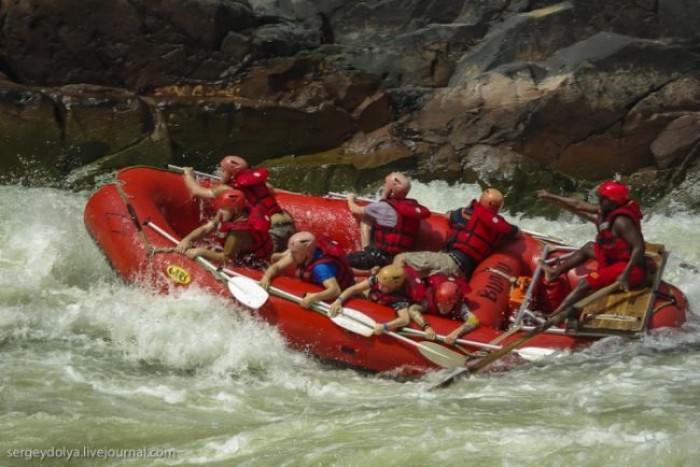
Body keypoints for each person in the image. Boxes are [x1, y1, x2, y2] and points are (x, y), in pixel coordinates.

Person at [536, 181, 646, 325]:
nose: (599, 201)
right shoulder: (606, 209)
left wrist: (626, 274)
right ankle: (555, 272)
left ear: (613, 202)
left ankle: (552, 316)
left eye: (602, 199)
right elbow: (578, 205)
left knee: (585, 283)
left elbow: (639, 246)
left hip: (629, 268)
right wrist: (550, 196)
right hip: (612, 258)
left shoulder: (621, 221)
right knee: (589, 247)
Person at [394, 187, 520, 279]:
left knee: (401, 259)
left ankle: (383, 289)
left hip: (450, 261)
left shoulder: (466, 213)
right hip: (465, 272)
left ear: (482, 199)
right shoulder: (501, 229)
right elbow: (516, 232)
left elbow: (449, 215)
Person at [182, 155, 295, 253]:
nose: (219, 173)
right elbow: (271, 190)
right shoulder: (259, 183)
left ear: (231, 174)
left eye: (222, 170)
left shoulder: (228, 189)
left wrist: (188, 174)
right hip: (288, 224)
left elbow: (197, 191)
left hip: (273, 231)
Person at [344, 172, 431, 272]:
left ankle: (367, 262)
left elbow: (355, 210)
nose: (384, 185)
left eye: (385, 183)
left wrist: (350, 199)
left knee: (343, 260)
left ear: (391, 189)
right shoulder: (410, 207)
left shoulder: (382, 207)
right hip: (402, 258)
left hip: (381, 257)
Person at [328, 264, 435, 338]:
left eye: (383, 286)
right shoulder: (378, 279)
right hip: (373, 299)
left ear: (393, 287)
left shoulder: (400, 299)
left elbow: (405, 319)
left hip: (388, 307)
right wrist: (338, 301)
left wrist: (385, 326)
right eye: (379, 283)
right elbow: (354, 289)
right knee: (362, 291)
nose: (379, 286)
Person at [175, 188, 273, 268]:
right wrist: (187, 239)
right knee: (210, 248)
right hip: (242, 251)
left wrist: (201, 252)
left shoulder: (238, 233)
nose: (220, 211)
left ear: (235, 210)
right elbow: (207, 228)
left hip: (254, 263)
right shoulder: (233, 212)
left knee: (206, 251)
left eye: (223, 208)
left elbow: (227, 258)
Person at [259, 231, 356, 309]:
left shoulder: (321, 268)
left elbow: (335, 290)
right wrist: (266, 277)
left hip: (348, 295)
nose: (291, 255)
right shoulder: (301, 254)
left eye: (294, 252)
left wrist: (314, 296)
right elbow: (276, 267)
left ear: (307, 253)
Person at [418, 275, 480, 344]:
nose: (442, 308)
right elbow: (412, 309)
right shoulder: (429, 300)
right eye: (440, 304)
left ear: (453, 303)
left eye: (446, 305)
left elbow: (474, 320)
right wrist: (426, 327)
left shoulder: (460, 305)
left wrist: (456, 333)